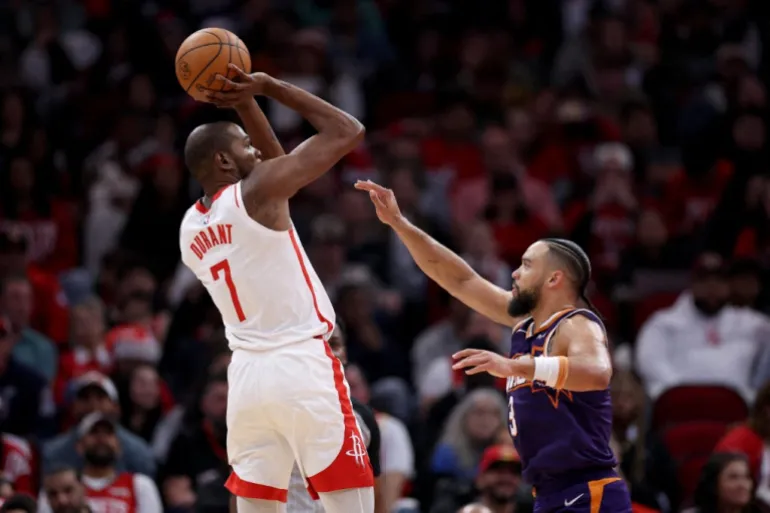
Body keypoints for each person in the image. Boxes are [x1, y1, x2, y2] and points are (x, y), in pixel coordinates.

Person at [355, 180, 631, 512]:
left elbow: (597, 372)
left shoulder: (576, 324)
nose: (514, 273)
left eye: (527, 265)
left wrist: (514, 366)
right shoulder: (526, 324)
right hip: (549, 493)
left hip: (586, 492)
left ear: (554, 279)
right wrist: (400, 224)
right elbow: (460, 279)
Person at [180, 65, 371, 513]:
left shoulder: (189, 228)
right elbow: (348, 131)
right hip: (301, 365)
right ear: (224, 162)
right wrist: (268, 88)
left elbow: (274, 167)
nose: (256, 149)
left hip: (247, 379)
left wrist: (245, 104)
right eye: (244, 144)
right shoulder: (259, 193)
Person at [286, 322, 383, 513]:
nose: (326, 352)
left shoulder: (364, 418)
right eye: (316, 344)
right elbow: (241, 493)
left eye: (334, 344)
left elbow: (377, 499)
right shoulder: (266, 413)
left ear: (344, 354)